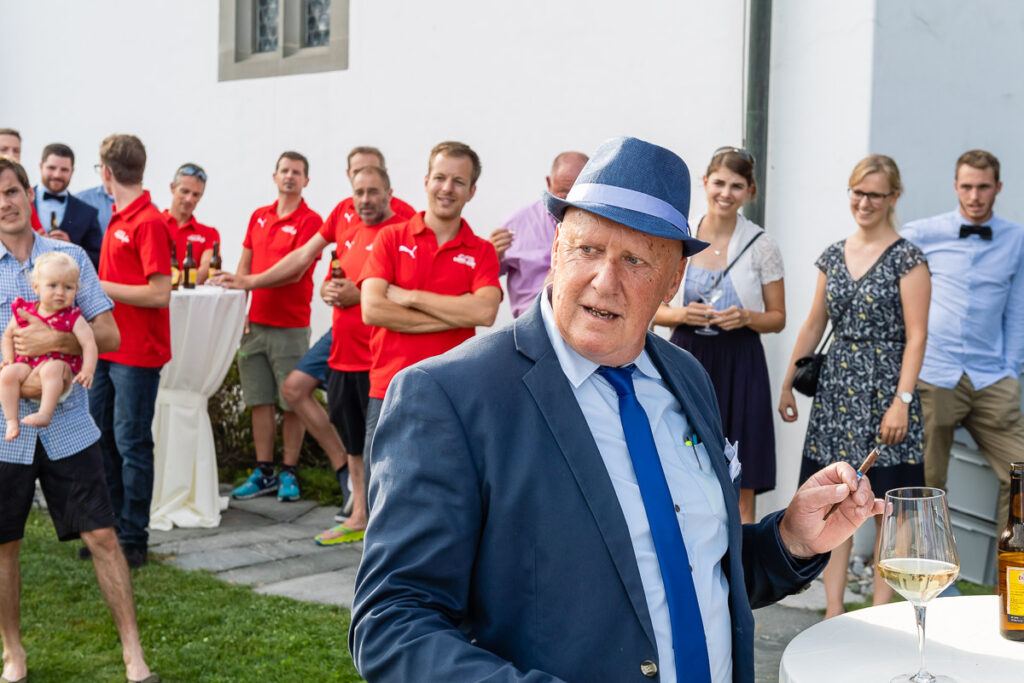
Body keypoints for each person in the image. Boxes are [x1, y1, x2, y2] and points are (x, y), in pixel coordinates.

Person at [349, 137, 883, 682]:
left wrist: (790, 539)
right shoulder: (451, 397)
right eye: (588, 249)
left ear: (674, 279)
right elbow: (393, 625)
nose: (605, 281)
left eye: (635, 260)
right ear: (557, 245)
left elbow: (688, 569)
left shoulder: (688, 378)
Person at [0, 157, 157, 683]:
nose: (5, 203)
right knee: (5, 545)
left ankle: (134, 656)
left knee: (104, 538)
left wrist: (58, 343)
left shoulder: (70, 258)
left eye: (11, 191)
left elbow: (109, 337)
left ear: (29, 193)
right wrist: (20, 378)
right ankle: (14, 654)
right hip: (5, 434)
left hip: (69, 429)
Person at [215, 163, 412, 543]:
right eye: (358, 190)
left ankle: (380, 519)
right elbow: (316, 263)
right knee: (344, 427)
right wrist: (328, 290)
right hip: (341, 346)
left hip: (378, 350)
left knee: (378, 440)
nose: (365, 199)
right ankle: (355, 504)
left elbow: (401, 287)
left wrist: (366, 293)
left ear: (389, 191)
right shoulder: (343, 217)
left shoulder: (401, 229)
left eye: (373, 191)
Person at [779, 154, 930, 618]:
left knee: (888, 507)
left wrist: (901, 401)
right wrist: (787, 384)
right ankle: (833, 610)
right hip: (837, 395)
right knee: (834, 501)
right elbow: (812, 324)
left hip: (887, 391)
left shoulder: (908, 257)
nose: (864, 202)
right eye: (857, 192)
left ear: (893, 198)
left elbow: (918, 334)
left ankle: (881, 614)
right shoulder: (832, 253)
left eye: (875, 194)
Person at [357, 140, 501, 491]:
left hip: (454, 390)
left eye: (458, 182)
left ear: (472, 190)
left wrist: (411, 297)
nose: (447, 189)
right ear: (426, 181)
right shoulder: (391, 238)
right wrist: (454, 314)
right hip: (390, 387)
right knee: (383, 494)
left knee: (448, 495)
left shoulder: (481, 252)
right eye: (440, 178)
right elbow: (372, 308)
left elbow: (484, 311)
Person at [654, 147, 785, 524]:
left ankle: (743, 573)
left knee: (742, 477)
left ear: (750, 191)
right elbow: (650, 308)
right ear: (705, 182)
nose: (726, 193)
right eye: (720, 183)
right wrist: (681, 314)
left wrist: (746, 317)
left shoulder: (762, 245)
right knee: (681, 460)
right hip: (686, 356)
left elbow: (778, 318)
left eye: (737, 186)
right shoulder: (679, 233)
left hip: (741, 363)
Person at [902, 150, 1024, 532]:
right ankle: (933, 578)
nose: (974, 196)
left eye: (983, 187)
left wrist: (1012, 370)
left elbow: (1017, 311)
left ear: (998, 188)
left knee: (1020, 473)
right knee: (928, 483)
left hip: (992, 377)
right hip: (936, 371)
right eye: (967, 187)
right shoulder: (921, 233)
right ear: (955, 187)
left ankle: (1010, 580)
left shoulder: (1016, 238)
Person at [89, 134, 173, 570]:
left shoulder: (149, 221)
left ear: (106, 173)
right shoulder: (121, 216)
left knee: (131, 442)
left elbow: (160, 293)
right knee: (100, 436)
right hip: (108, 346)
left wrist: (99, 287)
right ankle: (110, 528)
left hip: (137, 352)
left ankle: (134, 536)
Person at [229, 151, 322, 503]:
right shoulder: (259, 216)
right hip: (256, 326)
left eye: (297, 172)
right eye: (284, 170)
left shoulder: (310, 221)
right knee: (259, 401)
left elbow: (294, 271)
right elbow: (245, 264)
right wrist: (243, 301)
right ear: (275, 176)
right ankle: (264, 471)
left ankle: (289, 472)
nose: (290, 177)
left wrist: (248, 282)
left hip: (290, 327)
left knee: (292, 403)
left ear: (306, 181)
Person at [1, 252, 97, 438]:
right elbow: (7, 336)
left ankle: (45, 413)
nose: (60, 292)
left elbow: (89, 343)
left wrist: (88, 370)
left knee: (52, 369)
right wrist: (9, 360)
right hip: (28, 366)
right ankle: (11, 421)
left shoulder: (73, 316)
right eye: (52, 285)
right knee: (7, 374)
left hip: (59, 370)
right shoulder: (25, 310)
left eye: (68, 287)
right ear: (36, 287)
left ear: (76, 290)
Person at [489, 151, 588, 317]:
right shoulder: (515, 225)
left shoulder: (604, 227)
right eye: (563, 193)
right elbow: (478, 284)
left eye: (578, 193)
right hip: (529, 327)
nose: (569, 202)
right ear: (549, 183)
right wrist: (490, 258)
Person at [33, 143, 104, 268]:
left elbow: (99, 260)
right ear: (40, 166)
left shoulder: (88, 213)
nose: (57, 175)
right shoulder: (20, 202)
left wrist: (71, 248)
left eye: (64, 170)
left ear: (72, 171)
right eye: (51, 168)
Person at [163, 163, 220, 284]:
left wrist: (169, 280)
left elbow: (206, 270)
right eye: (185, 191)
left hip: (192, 302)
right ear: (172, 188)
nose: (189, 199)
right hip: (155, 301)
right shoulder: (153, 224)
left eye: (196, 194)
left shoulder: (209, 234)